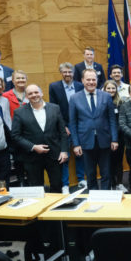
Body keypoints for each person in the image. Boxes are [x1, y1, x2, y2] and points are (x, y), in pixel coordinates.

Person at [11, 84, 69, 192]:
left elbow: (62, 132)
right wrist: (33, 147)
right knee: (36, 189)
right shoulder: (19, 112)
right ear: (26, 96)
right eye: (30, 93)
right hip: (32, 157)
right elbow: (15, 135)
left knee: (57, 186)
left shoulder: (55, 108)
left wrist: (64, 151)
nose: (34, 95)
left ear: (41, 93)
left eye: (36, 92)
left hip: (55, 156)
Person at [69, 69, 118, 190]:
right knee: (90, 174)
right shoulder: (74, 98)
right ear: (82, 80)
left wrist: (114, 139)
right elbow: (73, 123)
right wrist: (76, 144)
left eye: (93, 79)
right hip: (85, 142)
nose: (91, 82)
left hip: (105, 140)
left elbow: (112, 120)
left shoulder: (106, 96)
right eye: (88, 79)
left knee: (106, 173)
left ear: (97, 80)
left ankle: (106, 195)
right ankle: (94, 196)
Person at [48, 62, 84, 192]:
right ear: (61, 73)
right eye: (65, 72)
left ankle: (81, 180)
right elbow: (54, 108)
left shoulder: (80, 86)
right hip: (63, 126)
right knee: (65, 155)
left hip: (79, 125)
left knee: (80, 153)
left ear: (73, 73)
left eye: (70, 72)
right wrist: (63, 126)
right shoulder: (54, 86)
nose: (67, 74)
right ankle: (65, 184)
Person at [102, 80, 126, 192]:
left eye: (113, 88)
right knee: (108, 162)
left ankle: (119, 183)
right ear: (104, 89)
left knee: (119, 161)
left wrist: (115, 136)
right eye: (108, 88)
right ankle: (112, 184)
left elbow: (122, 121)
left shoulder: (121, 102)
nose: (111, 90)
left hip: (119, 137)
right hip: (106, 137)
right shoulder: (101, 102)